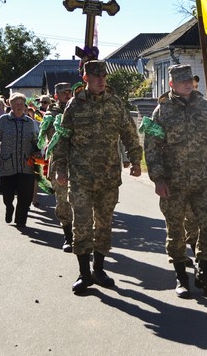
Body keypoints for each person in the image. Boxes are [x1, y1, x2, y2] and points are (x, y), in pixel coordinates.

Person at [51, 60, 142, 295]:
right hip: (80, 177)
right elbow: (62, 139)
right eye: (95, 76)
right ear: (86, 79)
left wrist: (135, 160)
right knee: (81, 225)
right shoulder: (74, 106)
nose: (101, 80)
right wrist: (60, 169)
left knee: (104, 224)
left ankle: (99, 269)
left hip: (109, 176)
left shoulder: (115, 104)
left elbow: (130, 134)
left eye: (103, 76)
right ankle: (84, 274)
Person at [143, 64, 207, 299]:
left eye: (189, 80)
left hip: (203, 180)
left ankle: (204, 273)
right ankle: (181, 277)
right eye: (181, 80)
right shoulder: (161, 112)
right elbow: (152, 149)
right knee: (176, 231)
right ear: (171, 84)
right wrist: (158, 179)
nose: (186, 84)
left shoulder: (205, 108)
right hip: (174, 183)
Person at [0, 93, 41, 229]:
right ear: (10, 105)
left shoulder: (30, 123)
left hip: (26, 165)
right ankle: (9, 207)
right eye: (16, 104)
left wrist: (37, 152)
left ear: (25, 106)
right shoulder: (3, 120)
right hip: (8, 164)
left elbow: (36, 141)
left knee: (25, 195)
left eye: (21, 104)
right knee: (7, 194)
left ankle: (21, 220)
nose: (19, 106)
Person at [41, 82, 74, 252]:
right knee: (63, 201)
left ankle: (81, 235)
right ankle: (68, 235)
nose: (68, 95)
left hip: (79, 163)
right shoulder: (51, 115)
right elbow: (52, 137)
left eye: (69, 92)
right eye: (64, 93)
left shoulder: (78, 109)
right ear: (56, 96)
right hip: (60, 163)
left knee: (81, 200)